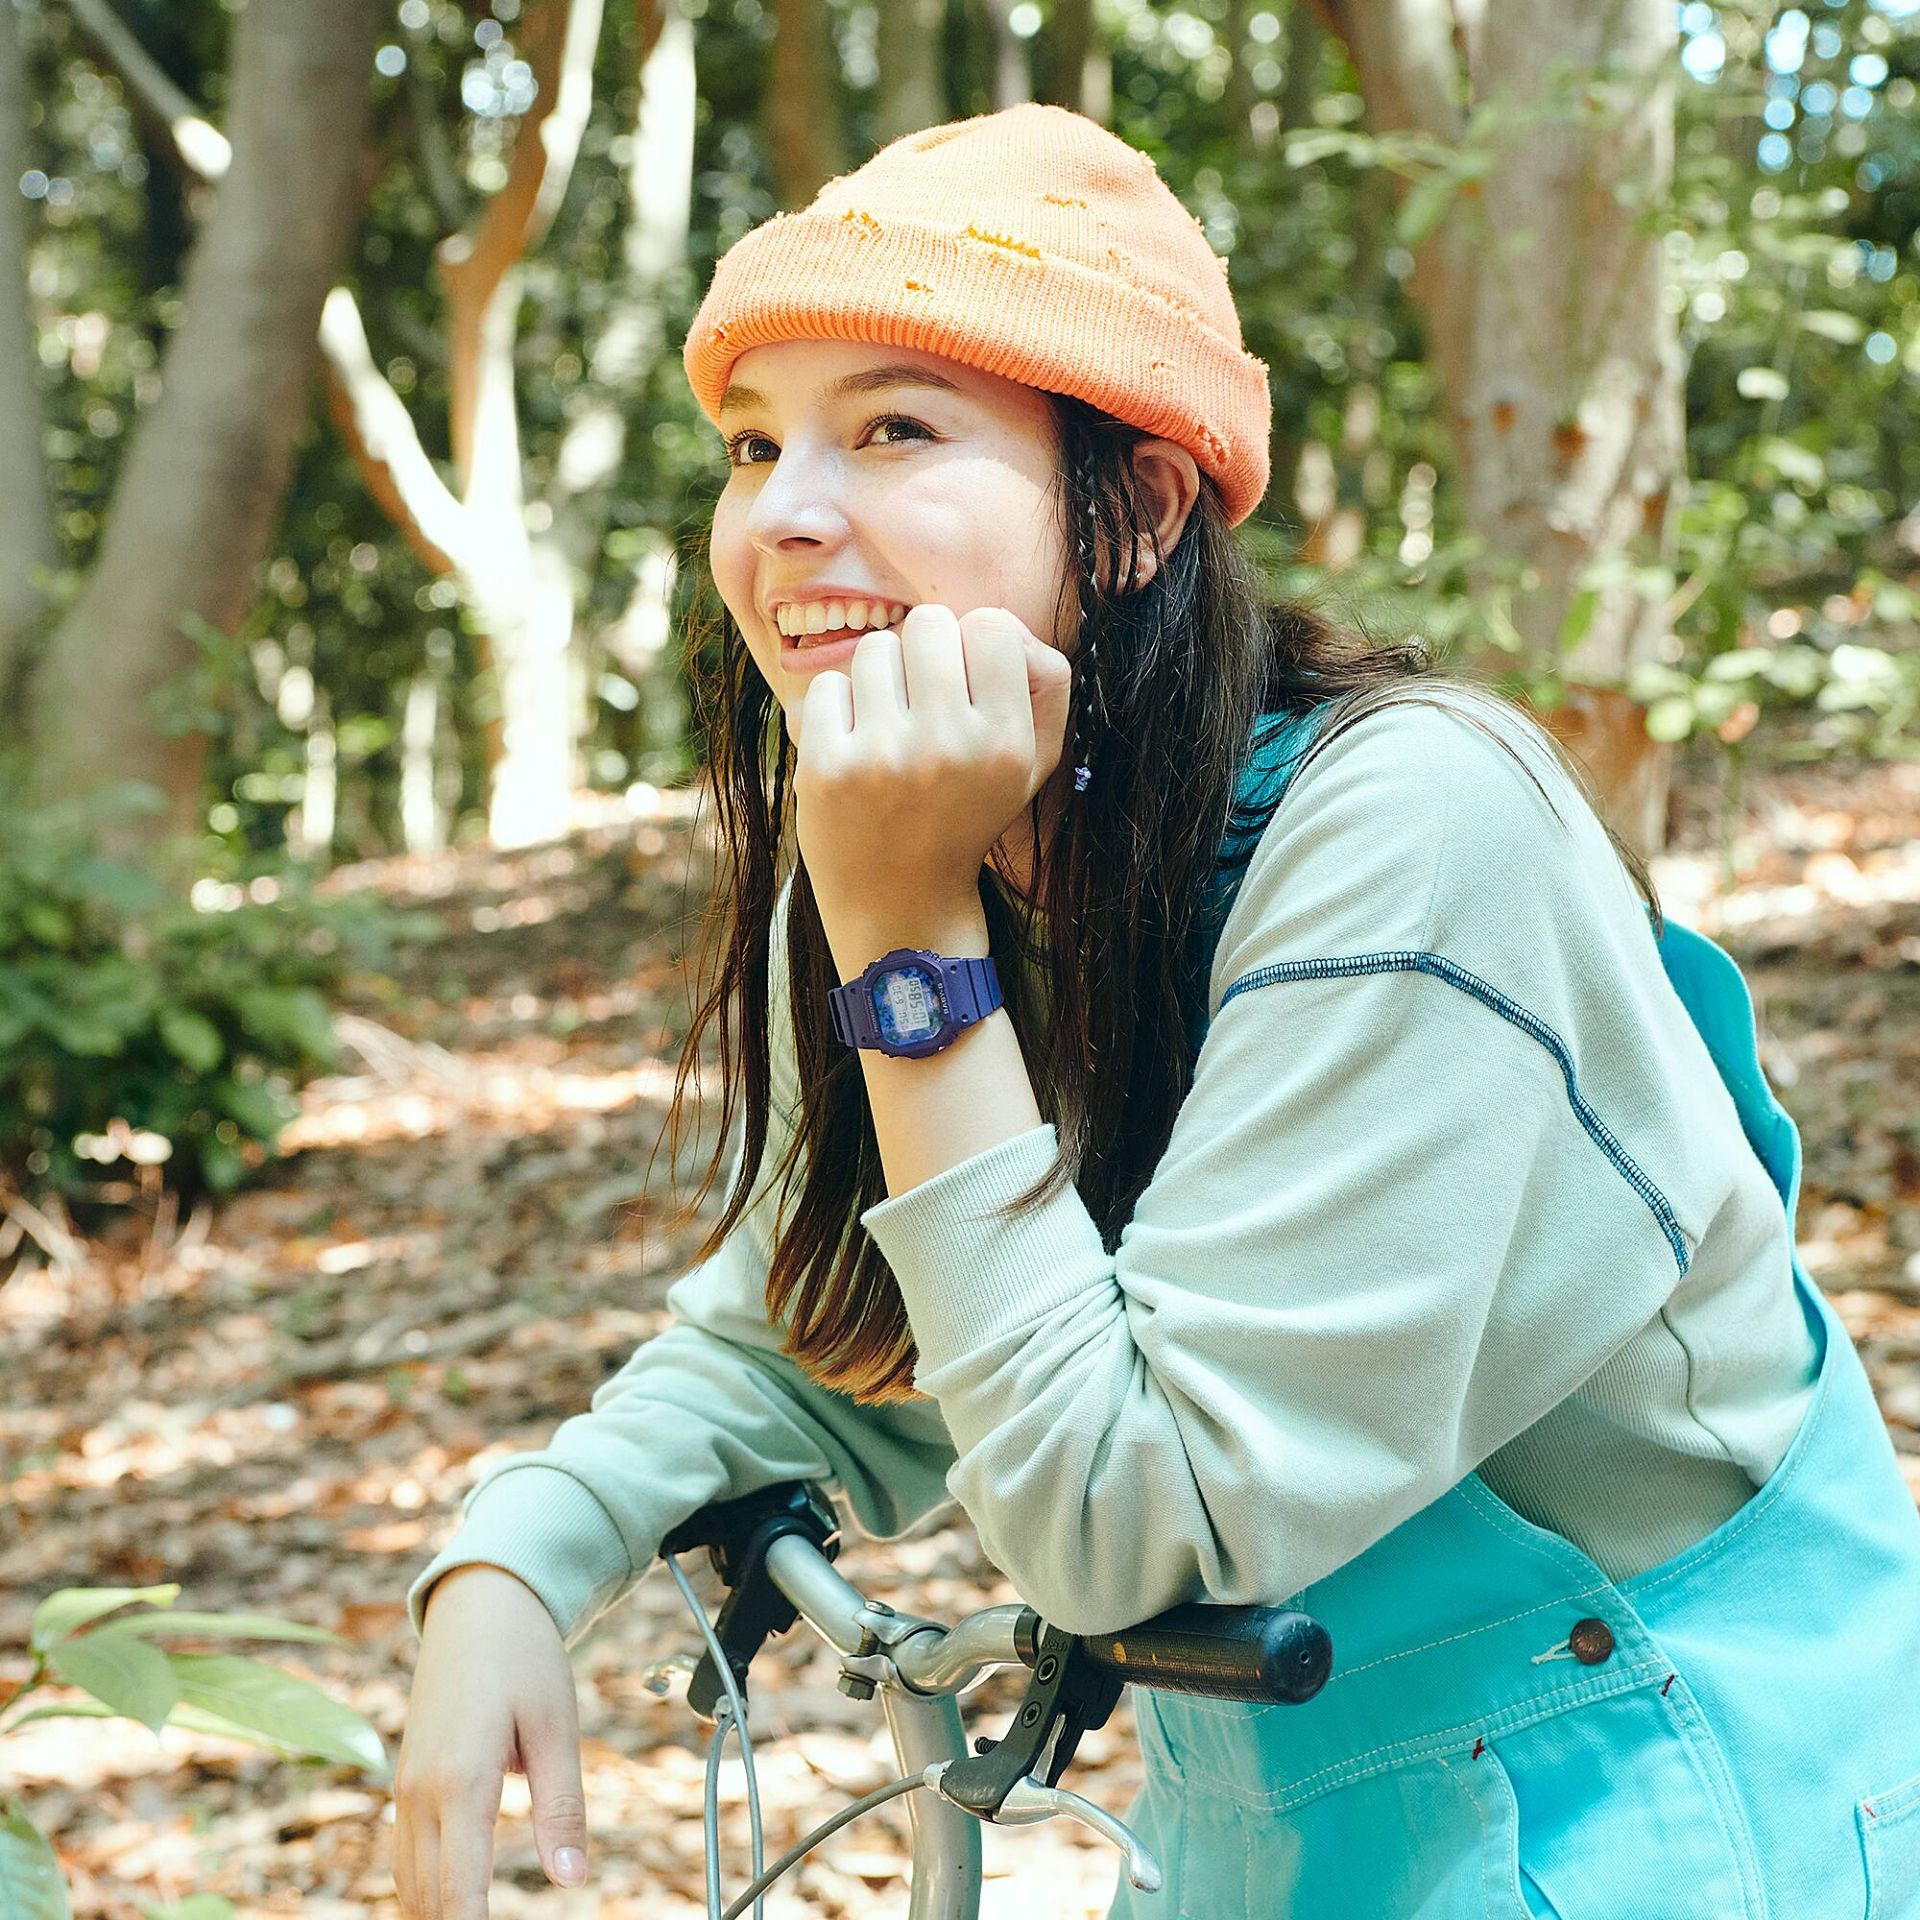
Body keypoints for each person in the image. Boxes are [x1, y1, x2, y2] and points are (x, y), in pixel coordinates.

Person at [393, 103, 1920, 1920]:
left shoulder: (1407, 828)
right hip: (1270, 1825)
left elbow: (1124, 1531)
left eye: (892, 428)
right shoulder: (924, 853)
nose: (784, 515)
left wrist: (908, 950)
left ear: (1137, 509)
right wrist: (521, 1551)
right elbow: (828, 1328)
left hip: (1676, 1792)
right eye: (751, 443)